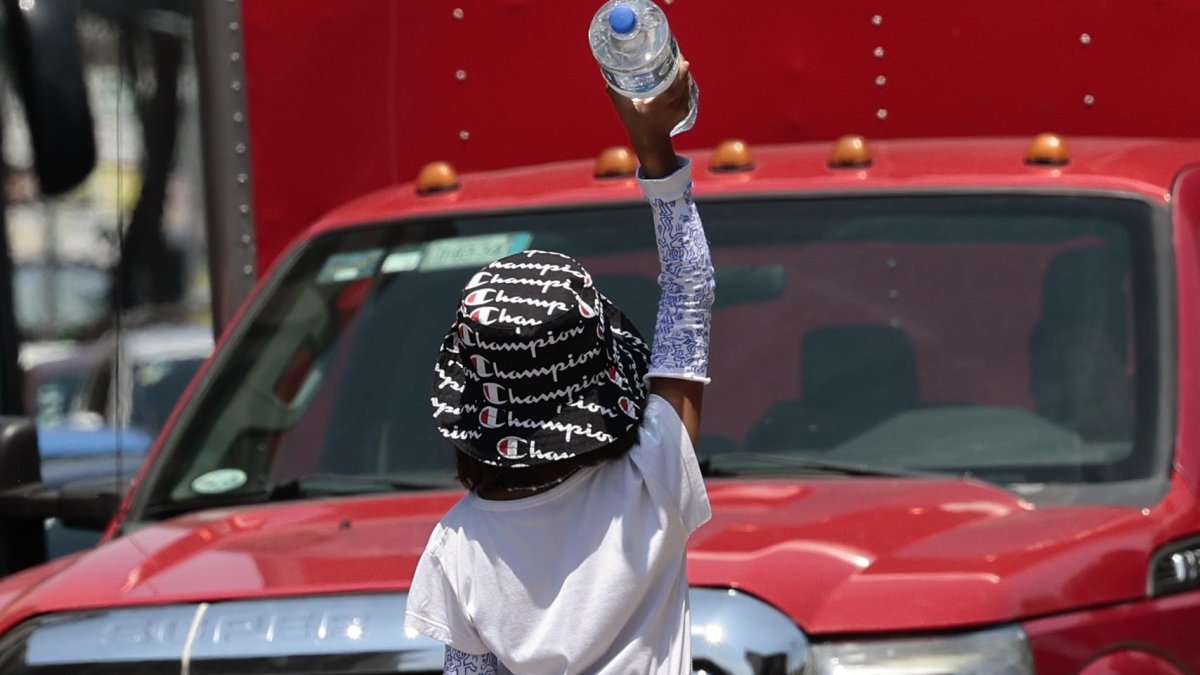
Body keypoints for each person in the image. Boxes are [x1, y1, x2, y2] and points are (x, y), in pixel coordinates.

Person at [405, 63, 714, 674]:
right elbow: (689, 293)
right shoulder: (654, 473)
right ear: (600, 376)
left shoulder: (457, 547)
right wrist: (653, 147)